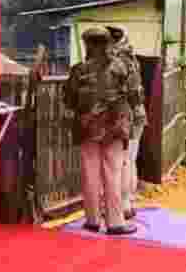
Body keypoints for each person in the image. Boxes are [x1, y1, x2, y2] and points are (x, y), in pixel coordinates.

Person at [62, 27, 141, 235]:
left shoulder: (78, 70)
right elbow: (135, 96)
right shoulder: (122, 66)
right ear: (107, 43)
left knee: (89, 173)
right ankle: (115, 222)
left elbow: (68, 101)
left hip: (86, 127)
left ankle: (92, 220)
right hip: (115, 127)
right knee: (113, 172)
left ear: (87, 44)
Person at [107, 24, 146, 221]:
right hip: (138, 115)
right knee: (130, 159)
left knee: (121, 161)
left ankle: (122, 205)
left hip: (125, 116)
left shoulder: (117, 62)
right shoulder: (132, 59)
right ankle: (129, 201)